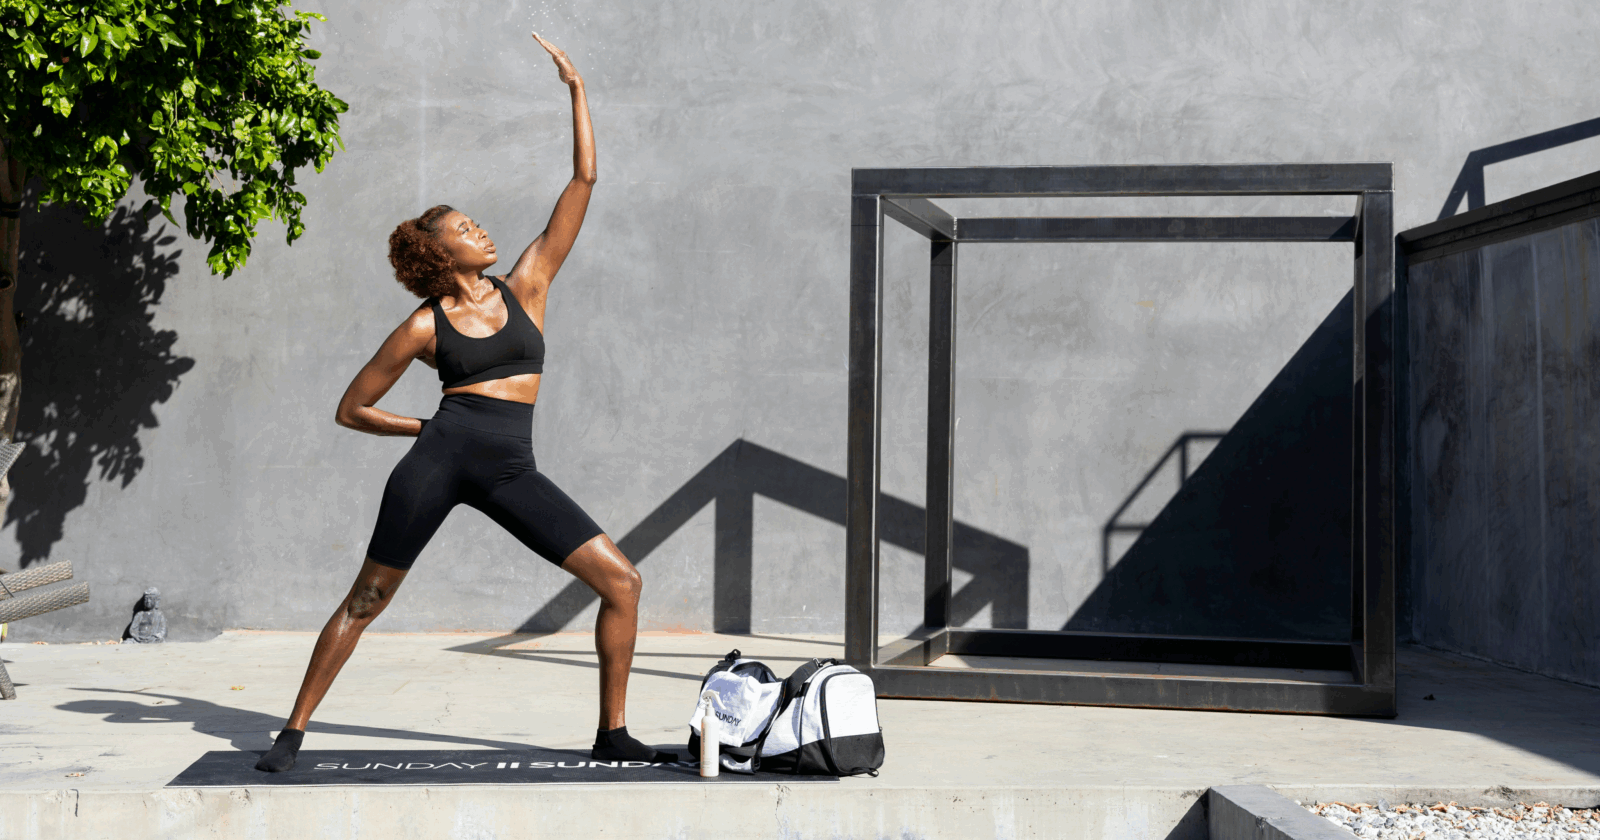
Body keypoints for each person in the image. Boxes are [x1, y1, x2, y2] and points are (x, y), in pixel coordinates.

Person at [256, 33, 667, 772]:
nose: (480, 230)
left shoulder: (529, 285)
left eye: (476, 224)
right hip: (437, 465)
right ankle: (292, 731)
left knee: (623, 582)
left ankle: (611, 733)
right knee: (366, 600)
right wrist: (429, 429)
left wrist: (576, 91)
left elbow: (582, 184)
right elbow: (352, 409)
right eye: (463, 230)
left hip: (511, 470)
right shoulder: (422, 326)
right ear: (439, 255)